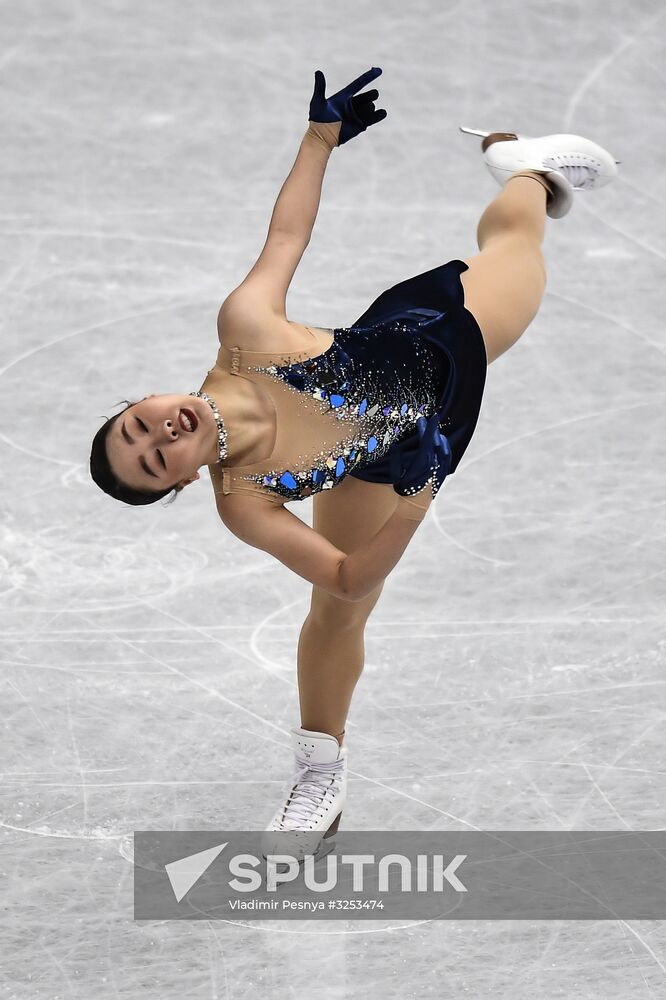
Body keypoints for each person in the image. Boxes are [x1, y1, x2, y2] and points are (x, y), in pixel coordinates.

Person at [90, 67, 619, 861]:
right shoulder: (244, 498)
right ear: (181, 480)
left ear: (147, 397)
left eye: (140, 423)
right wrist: (420, 489)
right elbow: (344, 574)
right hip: (391, 463)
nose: (162, 431)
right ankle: (320, 773)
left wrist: (318, 138)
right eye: (157, 458)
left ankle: (527, 168)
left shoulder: (245, 332)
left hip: (438, 337)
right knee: (338, 609)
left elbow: (285, 238)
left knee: (518, 243)